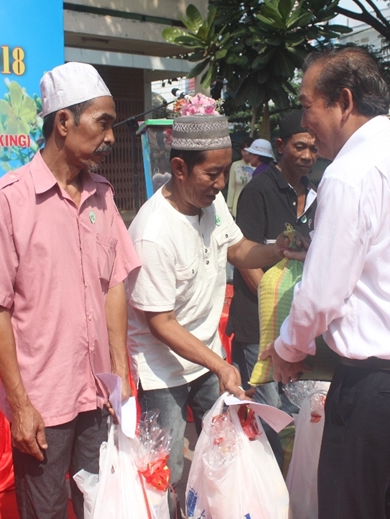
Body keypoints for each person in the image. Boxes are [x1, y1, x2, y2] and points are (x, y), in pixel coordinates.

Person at [261, 47, 390, 519]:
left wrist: (289, 349)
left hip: (380, 381)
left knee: (350, 503)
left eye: (308, 104)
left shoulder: (350, 174)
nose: (304, 119)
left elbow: (322, 292)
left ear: (344, 102)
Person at [0, 62, 141, 519]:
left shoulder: (103, 196)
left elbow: (113, 281)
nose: (111, 138)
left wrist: (118, 370)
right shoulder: (6, 202)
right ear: (63, 122)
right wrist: (20, 404)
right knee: (44, 511)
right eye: (102, 123)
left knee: (102, 504)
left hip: (98, 392)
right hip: (44, 400)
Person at [126, 109, 296, 516]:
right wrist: (219, 365)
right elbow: (160, 322)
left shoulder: (213, 203)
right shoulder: (153, 233)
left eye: (224, 172)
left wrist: (278, 248)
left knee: (222, 449)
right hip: (162, 369)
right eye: (212, 174)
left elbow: (237, 250)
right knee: (165, 469)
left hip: (206, 355)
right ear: (180, 168)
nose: (221, 184)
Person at [227, 109, 318, 409]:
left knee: (297, 406)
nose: (307, 155)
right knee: (269, 411)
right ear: (280, 146)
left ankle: (293, 459)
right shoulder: (258, 192)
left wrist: (298, 317)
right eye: (300, 146)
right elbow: (245, 258)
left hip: (298, 326)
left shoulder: (318, 195)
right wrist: (278, 308)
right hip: (259, 324)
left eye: (314, 148)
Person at [226, 137, 255, 217]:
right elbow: (231, 187)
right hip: (237, 203)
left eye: (248, 150)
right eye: (243, 150)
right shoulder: (235, 165)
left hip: (253, 204)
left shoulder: (257, 166)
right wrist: (229, 207)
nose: (246, 153)